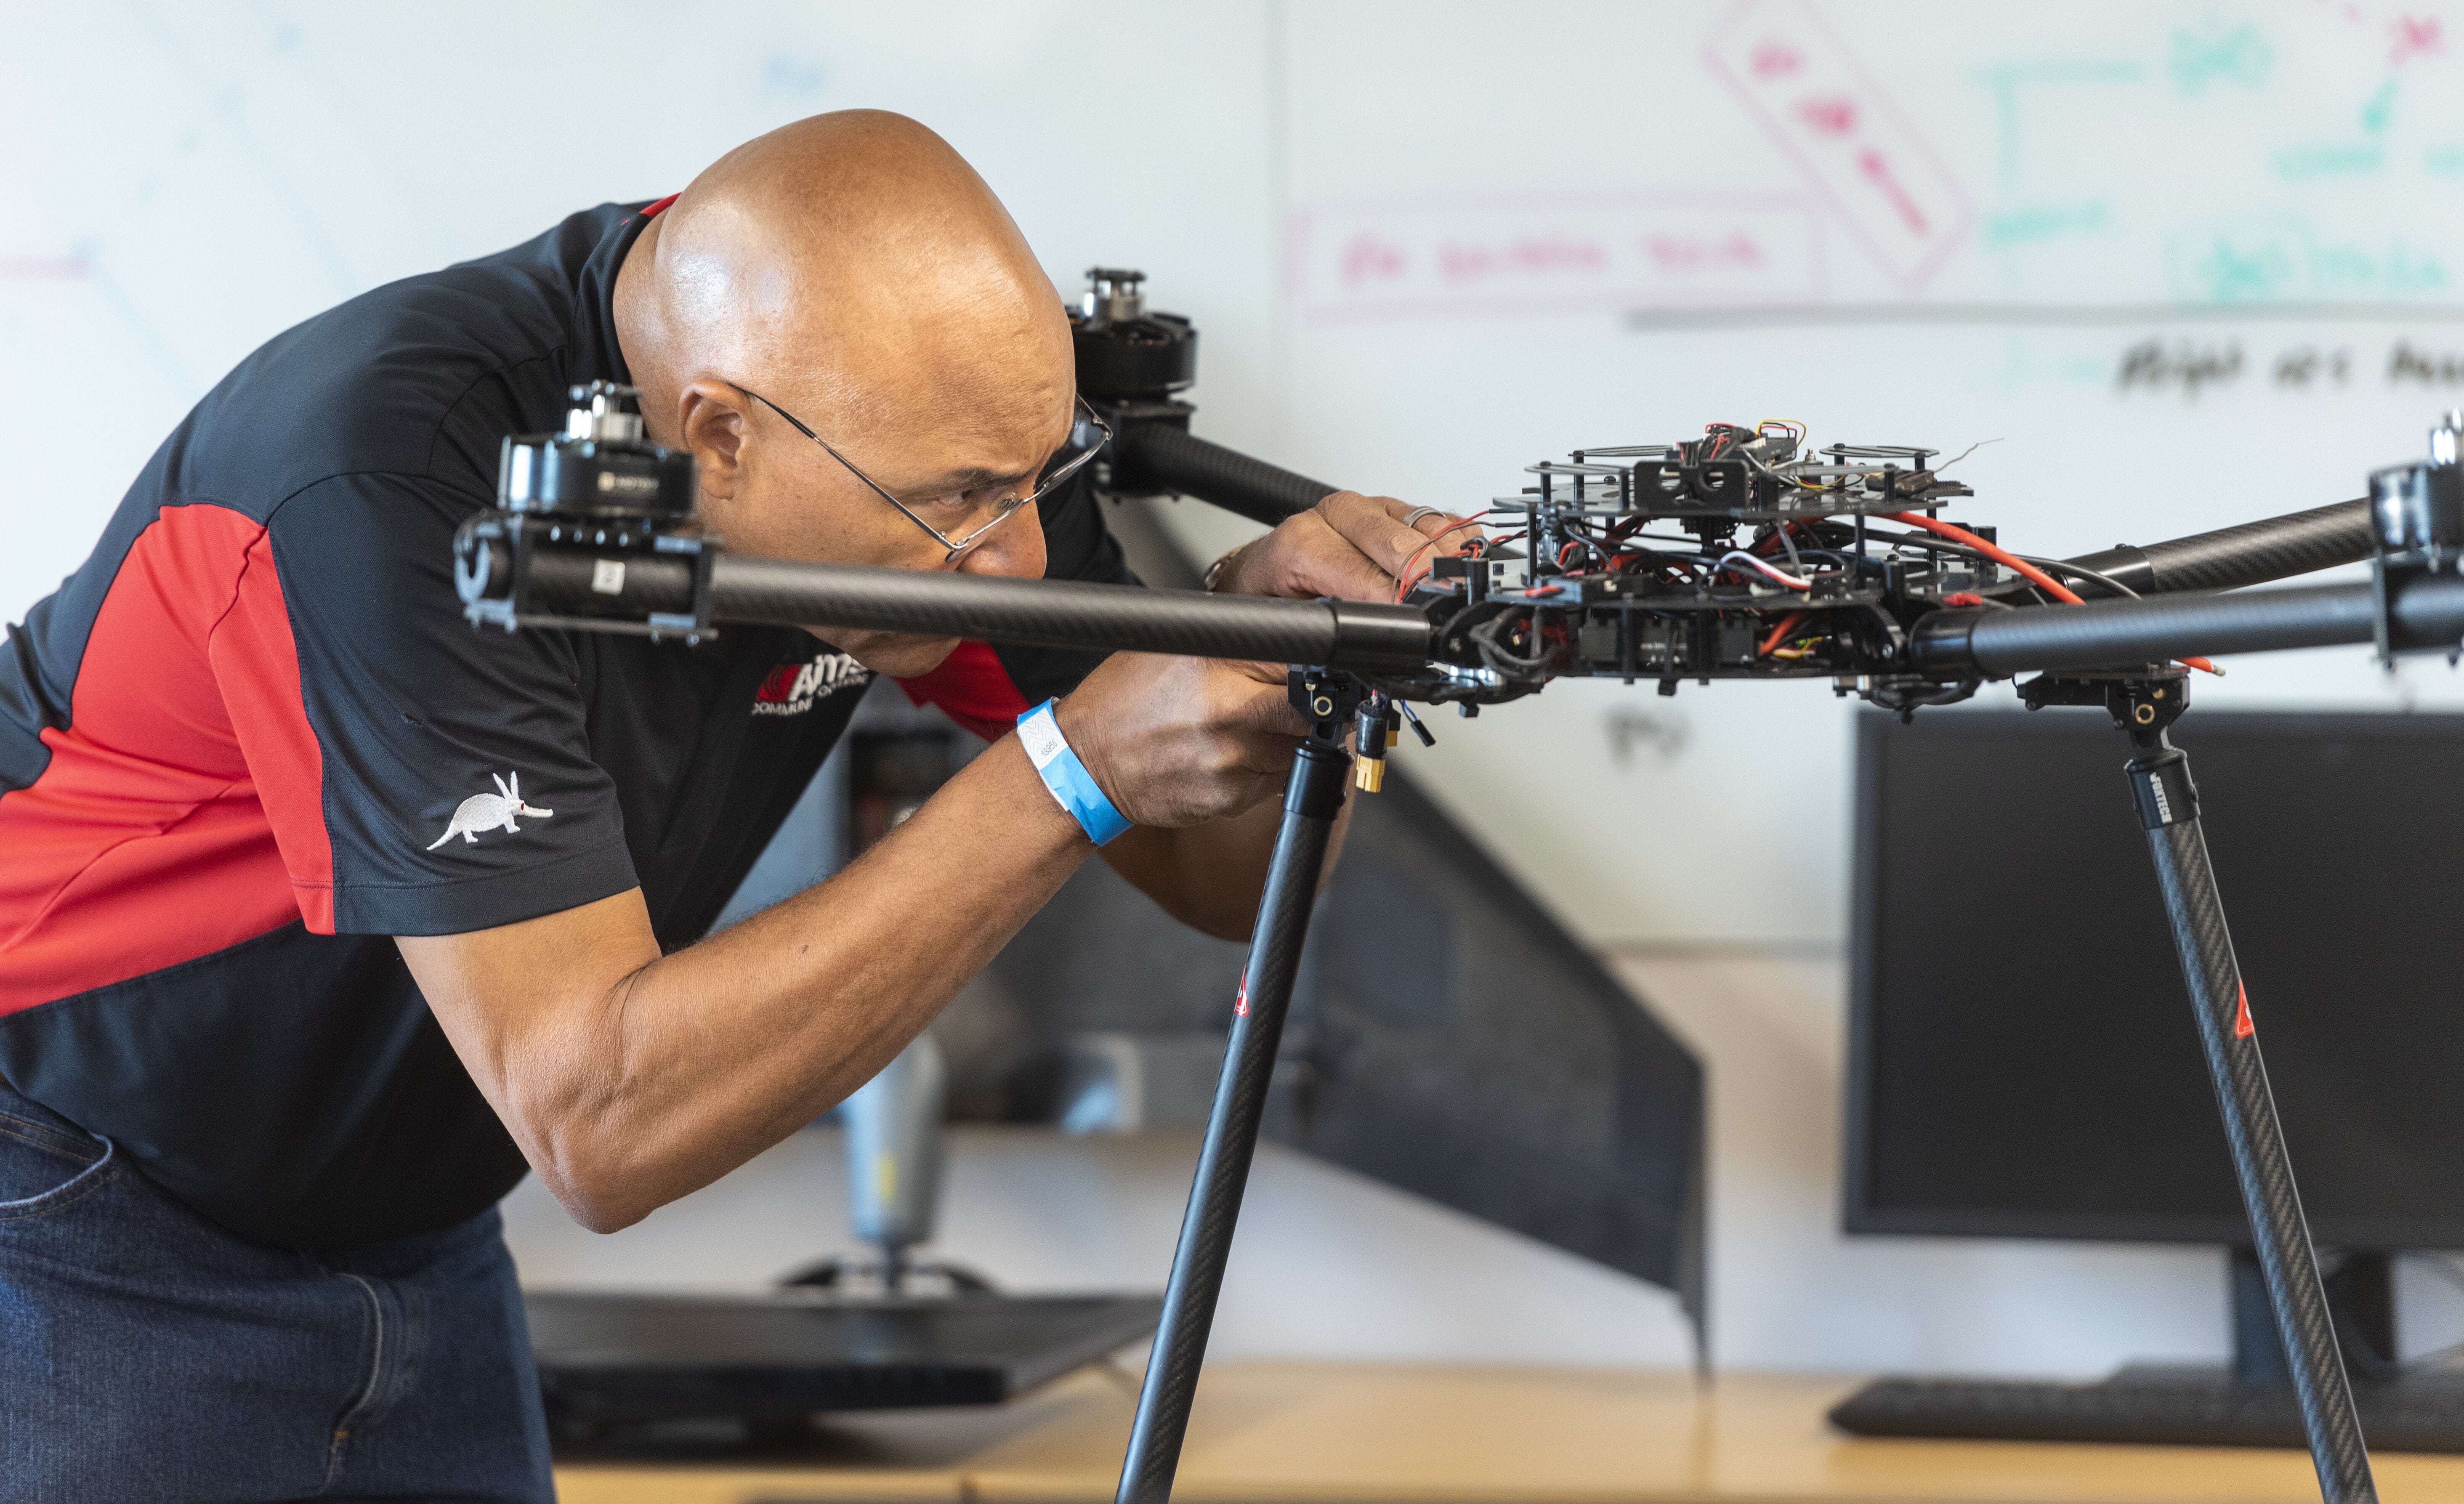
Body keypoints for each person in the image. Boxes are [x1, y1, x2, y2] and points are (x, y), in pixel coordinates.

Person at [0, 111, 1467, 1501]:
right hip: (78, 1202)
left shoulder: (919, 434)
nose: (1018, 560)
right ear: (719, 436)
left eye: (1032, 481)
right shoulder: (393, 480)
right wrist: (1066, 768)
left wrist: (1278, 665)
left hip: (414, 1217)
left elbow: (1219, 883)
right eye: (964, 503)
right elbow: (601, 1121)